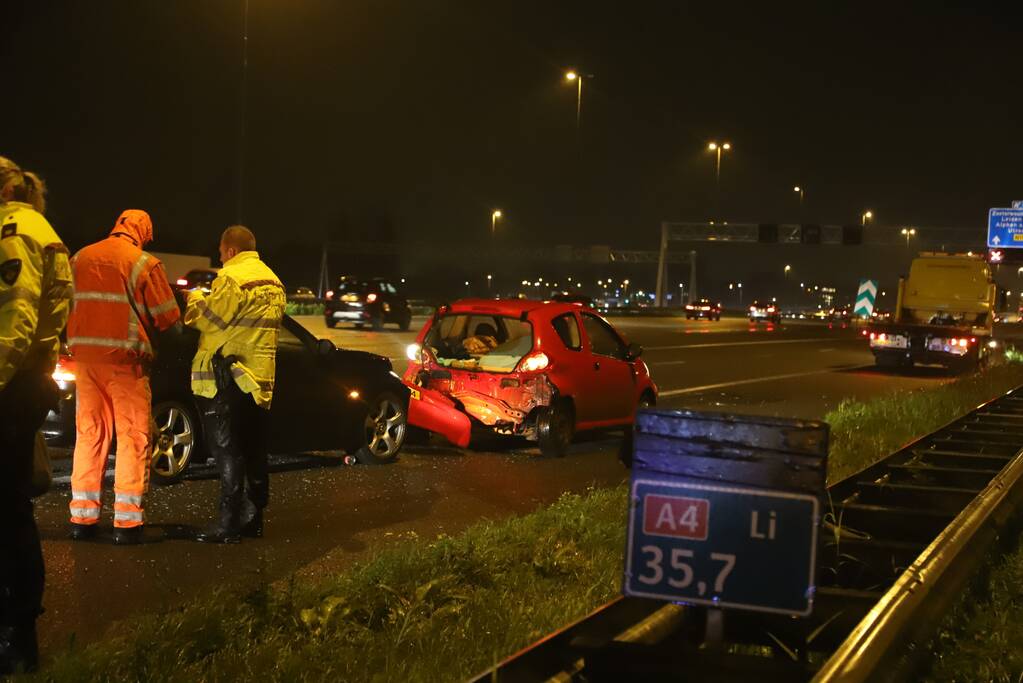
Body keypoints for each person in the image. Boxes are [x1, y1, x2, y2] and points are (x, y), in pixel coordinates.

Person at [66, 210, 181, 545]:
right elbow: (169, 322)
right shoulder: (143, 264)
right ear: (143, 232)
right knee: (133, 438)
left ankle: (82, 519)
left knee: (90, 435)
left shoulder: (80, 258)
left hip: (85, 363)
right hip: (126, 365)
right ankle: (127, 524)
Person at [0, 157, 72, 673]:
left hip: (11, 383)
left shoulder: (15, 229)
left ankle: (17, 635)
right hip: (26, 379)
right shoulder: (36, 227)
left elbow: (15, 316)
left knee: (8, 511)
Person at [185, 225, 285, 544]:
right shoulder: (273, 281)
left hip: (231, 376)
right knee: (255, 448)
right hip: (261, 378)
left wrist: (195, 300)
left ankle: (228, 522)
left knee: (227, 450)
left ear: (230, 250)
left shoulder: (232, 278)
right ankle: (254, 519)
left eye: (220, 250)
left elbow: (209, 322)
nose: (219, 255)